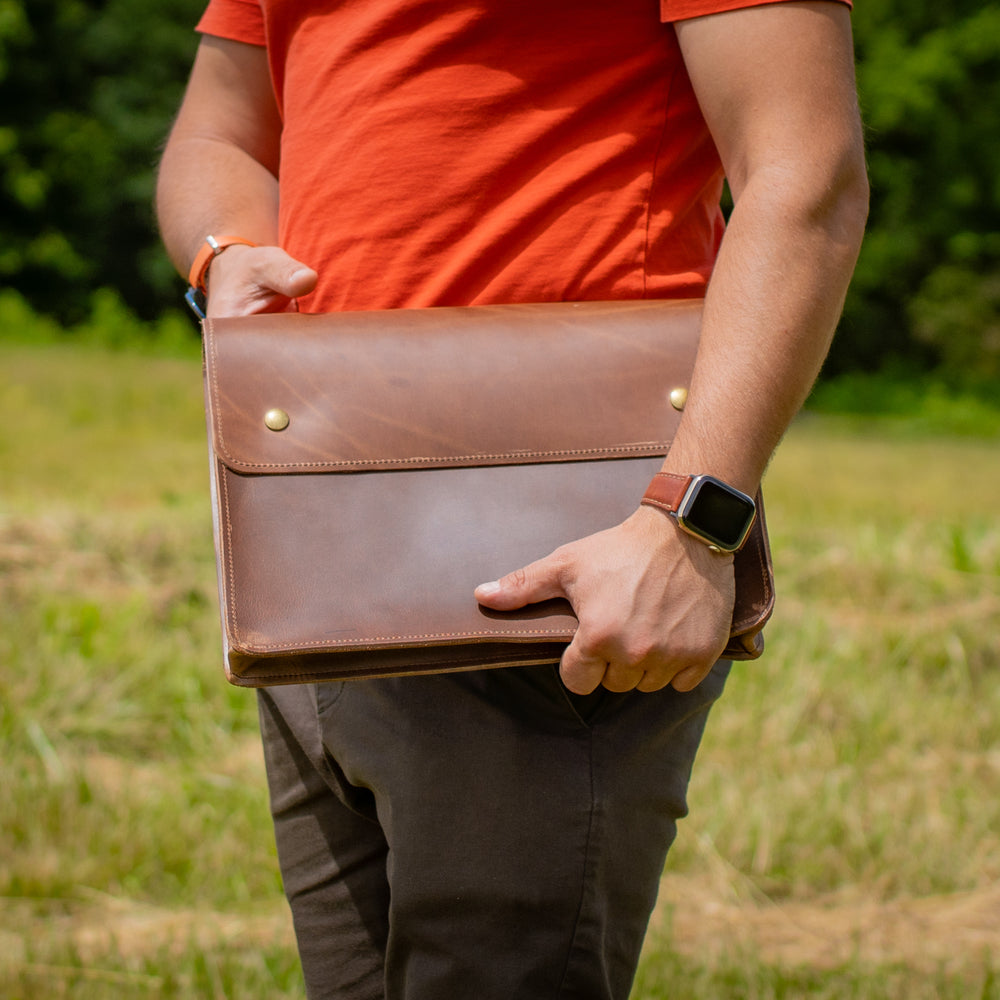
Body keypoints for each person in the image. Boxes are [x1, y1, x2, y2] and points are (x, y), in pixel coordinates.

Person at [157, 1, 868, 997]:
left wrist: (691, 522)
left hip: (563, 562)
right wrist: (223, 252)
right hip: (318, 551)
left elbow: (806, 173)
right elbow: (217, 133)